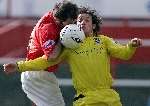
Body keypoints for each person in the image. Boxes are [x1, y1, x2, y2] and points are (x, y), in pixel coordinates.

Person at [4, 7, 142, 106]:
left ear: (93, 25)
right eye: (79, 20)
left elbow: (124, 54)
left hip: (109, 98)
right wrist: (18, 65)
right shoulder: (70, 46)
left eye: (86, 20)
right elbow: (45, 61)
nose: (82, 22)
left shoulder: (104, 40)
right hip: (86, 99)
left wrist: (131, 46)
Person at [4, 1, 78, 106]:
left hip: (37, 74)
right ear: (59, 20)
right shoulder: (48, 29)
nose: (72, 25)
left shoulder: (55, 17)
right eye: (70, 22)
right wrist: (63, 39)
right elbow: (52, 56)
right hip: (38, 75)